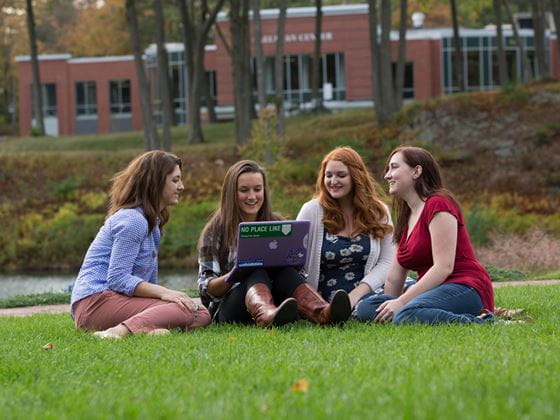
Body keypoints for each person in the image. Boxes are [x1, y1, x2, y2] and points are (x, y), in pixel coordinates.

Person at [71, 151, 211, 338]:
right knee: (187, 310)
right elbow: (118, 278)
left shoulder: (152, 221)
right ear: (156, 182)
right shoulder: (133, 221)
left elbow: (144, 284)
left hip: (113, 301)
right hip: (95, 303)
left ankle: (147, 329)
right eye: (175, 180)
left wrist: (165, 300)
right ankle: (118, 332)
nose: (181, 186)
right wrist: (165, 293)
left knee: (199, 313)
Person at [197, 160, 351, 327]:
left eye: (257, 189)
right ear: (231, 193)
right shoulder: (215, 231)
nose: (252, 196)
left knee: (286, 272)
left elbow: (297, 274)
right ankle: (265, 315)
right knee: (255, 271)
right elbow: (206, 290)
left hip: (276, 300)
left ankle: (323, 313)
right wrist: (235, 274)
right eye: (243, 190)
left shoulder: (278, 224)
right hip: (232, 307)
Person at [355, 146, 495, 324]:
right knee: (365, 308)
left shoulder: (438, 204)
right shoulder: (406, 218)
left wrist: (401, 302)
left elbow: (444, 267)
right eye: (387, 169)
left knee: (405, 315)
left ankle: (485, 321)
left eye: (394, 167)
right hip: (434, 290)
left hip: (465, 286)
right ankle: (417, 312)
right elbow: (394, 277)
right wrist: (388, 302)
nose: (387, 175)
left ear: (416, 171)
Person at [296, 147, 397, 313]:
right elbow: (296, 261)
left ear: (356, 177)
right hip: (331, 297)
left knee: (413, 293)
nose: (333, 181)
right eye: (328, 175)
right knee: (370, 310)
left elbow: (387, 261)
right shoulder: (311, 211)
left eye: (341, 175)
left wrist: (357, 294)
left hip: (372, 288)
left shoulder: (379, 211)